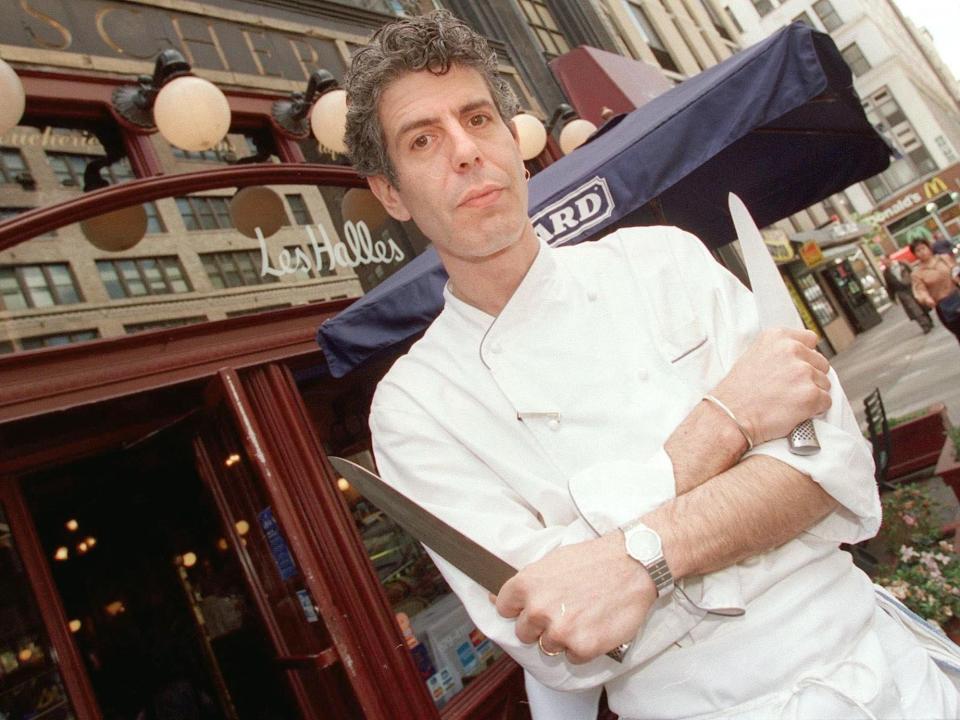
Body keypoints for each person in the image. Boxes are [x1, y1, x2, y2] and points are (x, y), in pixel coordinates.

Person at [345, 11, 960, 719]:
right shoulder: (413, 408)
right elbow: (559, 634)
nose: (465, 151)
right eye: (423, 139)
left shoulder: (663, 260)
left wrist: (627, 561)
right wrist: (724, 424)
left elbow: (833, 467)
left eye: (479, 118)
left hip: (894, 673)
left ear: (512, 140)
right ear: (391, 192)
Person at [911, 238, 960, 345]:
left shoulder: (944, 259)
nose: (922, 252)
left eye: (923, 248)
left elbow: (956, 271)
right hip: (944, 307)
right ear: (915, 254)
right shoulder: (917, 273)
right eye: (918, 251)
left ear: (929, 247)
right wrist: (926, 298)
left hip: (957, 296)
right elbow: (920, 290)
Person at [883, 258, 933, 333]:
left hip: (912, 287)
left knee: (921, 304)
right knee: (913, 308)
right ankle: (924, 325)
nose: (884, 263)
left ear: (889, 259)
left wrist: (920, 284)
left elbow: (913, 273)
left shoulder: (902, 264)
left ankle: (928, 319)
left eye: (884, 261)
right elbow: (889, 286)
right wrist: (892, 297)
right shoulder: (886, 273)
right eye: (883, 262)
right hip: (901, 292)